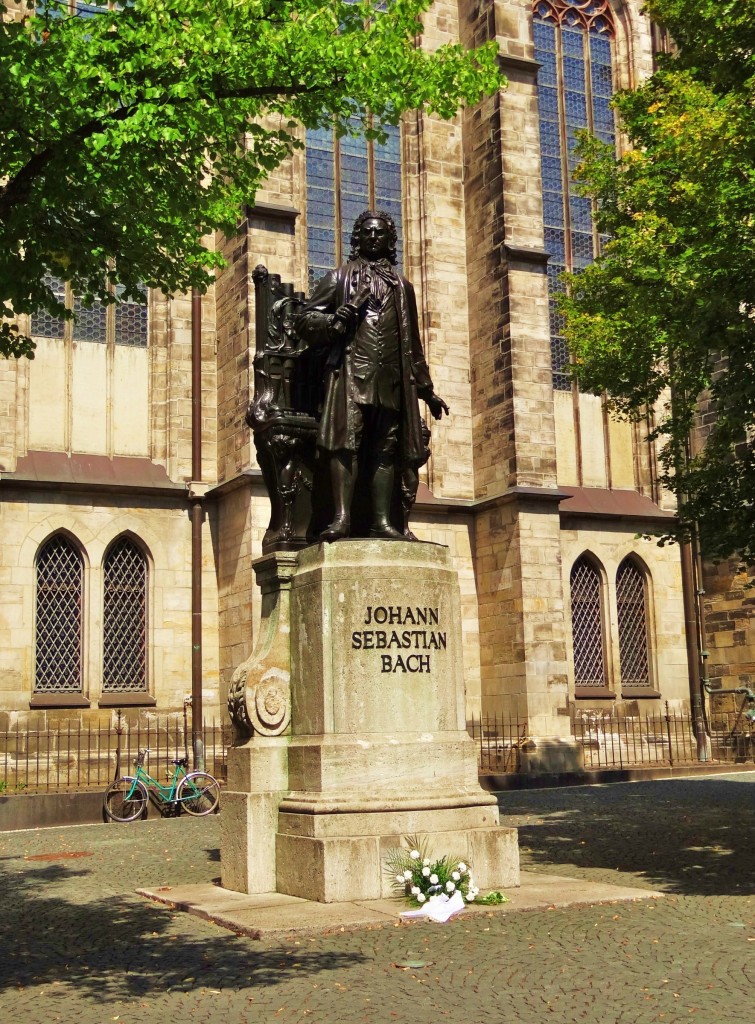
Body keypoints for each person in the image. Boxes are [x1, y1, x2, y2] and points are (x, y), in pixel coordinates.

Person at [295, 210, 448, 542]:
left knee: (386, 448)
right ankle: (341, 518)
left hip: (390, 380)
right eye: (367, 232)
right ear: (357, 238)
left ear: (390, 241)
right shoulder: (339, 279)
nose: (374, 237)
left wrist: (427, 390)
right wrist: (337, 318)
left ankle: (381, 521)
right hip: (351, 375)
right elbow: (304, 320)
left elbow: (413, 344)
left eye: (380, 233)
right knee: (345, 444)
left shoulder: (402, 287)